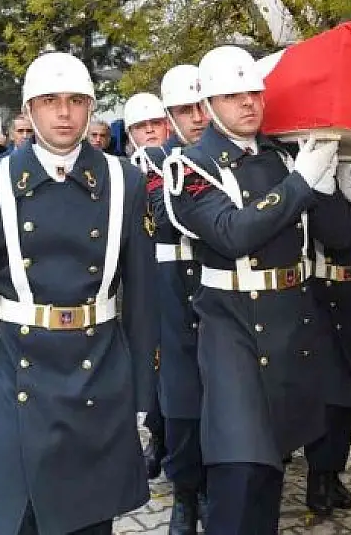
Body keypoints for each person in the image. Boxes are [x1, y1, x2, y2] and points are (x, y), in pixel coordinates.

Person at [0, 51, 159, 535]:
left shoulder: (125, 181)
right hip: (15, 370)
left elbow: (144, 297)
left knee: (88, 518)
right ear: (28, 110)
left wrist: (143, 388)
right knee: (18, 518)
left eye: (76, 101)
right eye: (49, 101)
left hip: (98, 370)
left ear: (91, 108)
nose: (64, 113)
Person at [164, 45, 349, 534]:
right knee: (240, 466)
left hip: (291, 322)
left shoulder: (284, 156)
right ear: (207, 106)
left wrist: (325, 187)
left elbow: (343, 240)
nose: (247, 103)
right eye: (231, 95)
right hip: (232, 327)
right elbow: (232, 232)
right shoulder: (188, 167)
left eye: (253, 92)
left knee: (270, 464)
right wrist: (301, 184)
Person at [143, 64, 211, 533]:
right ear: (170, 117)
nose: (199, 118)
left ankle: (216, 487)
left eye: (203, 106)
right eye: (186, 111)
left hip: (221, 293)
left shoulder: (232, 157)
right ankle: (185, 495)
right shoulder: (153, 165)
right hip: (171, 295)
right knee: (182, 405)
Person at [302, 160, 351, 518]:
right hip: (323, 293)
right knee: (328, 395)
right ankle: (318, 474)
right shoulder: (313, 170)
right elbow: (339, 236)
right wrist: (336, 189)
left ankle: (333, 472)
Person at [123, 91, 172, 482]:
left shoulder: (185, 165)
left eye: (156, 122)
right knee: (150, 370)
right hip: (142, 286)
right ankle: (156, 438)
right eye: (141, 126)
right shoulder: (122, 175)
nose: (150, 131)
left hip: (183, 284)